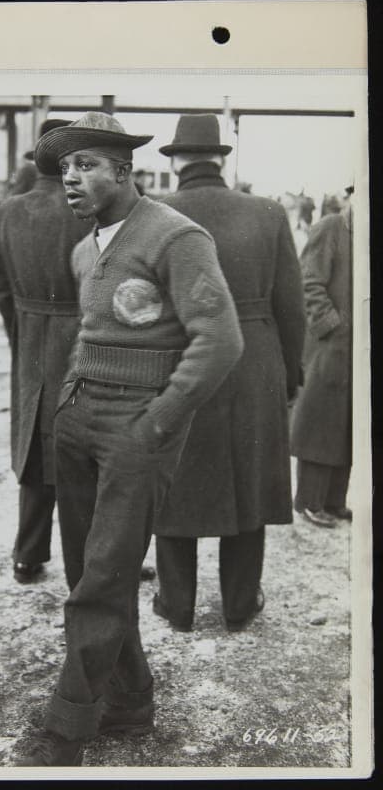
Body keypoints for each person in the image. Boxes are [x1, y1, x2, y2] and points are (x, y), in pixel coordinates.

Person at [15, 111, 244, 766]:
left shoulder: (177, 236)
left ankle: (65, 731)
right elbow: (93, 335)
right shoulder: (85, 248)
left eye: (86, 165)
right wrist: (66, 406)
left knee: (103, 578)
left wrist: (158, 423)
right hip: (78, 421)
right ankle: (131, 699)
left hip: (135, 430)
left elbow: (221, 339)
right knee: (94, 574)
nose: (71, 179)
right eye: (64, 169)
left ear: (125, 170)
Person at [153, 114, 306, 633]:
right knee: (250, 478)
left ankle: (176, 605)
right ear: (221, 159)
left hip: (179, 356)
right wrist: (290, 376)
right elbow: (292, 304)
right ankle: (240, 604)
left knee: (173, 479)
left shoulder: (154, 214)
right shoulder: (268, 212)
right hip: (254, 357)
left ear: (175, 161)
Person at [0, 119, 92, 583]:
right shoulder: (91, 207)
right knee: (87, 447)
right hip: (85, 335)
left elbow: (1, 289)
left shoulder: (8, 211)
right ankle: (91, 559)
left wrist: (22, 334)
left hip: (31, 332)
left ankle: (28, 554)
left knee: (34, 445)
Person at [290, 186, 353, 527]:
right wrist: (332, 324)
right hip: (331, 346)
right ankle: (310, 501)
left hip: (356, 349)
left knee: (346, 425)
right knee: (320, 423)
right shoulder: (331, 227)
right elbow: (309, 281)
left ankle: (334, 500)